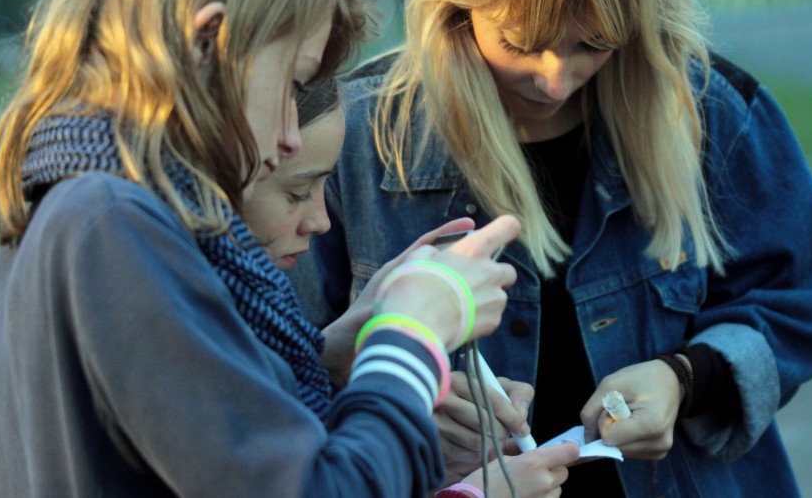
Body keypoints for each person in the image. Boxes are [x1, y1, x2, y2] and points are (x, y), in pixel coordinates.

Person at [298, 0, 812, 495]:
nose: (556, 80)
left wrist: (686, 376)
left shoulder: (712, 111)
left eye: (593, 43)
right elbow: (270, 374)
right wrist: (392, 392)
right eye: (520, 42)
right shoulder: (353, 140)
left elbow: (801, 299)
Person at [0, 0, 539, 497]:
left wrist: (332, 348)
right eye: (293, 82)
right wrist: (410, 336)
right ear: (209, 42)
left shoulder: (59, 207)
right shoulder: (113, 222)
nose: (290, 137)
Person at [245, 77, 580, 497]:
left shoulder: (225, 296)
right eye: (297, 192)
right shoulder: (185, 307)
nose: (321, 221)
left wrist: (328, 350)